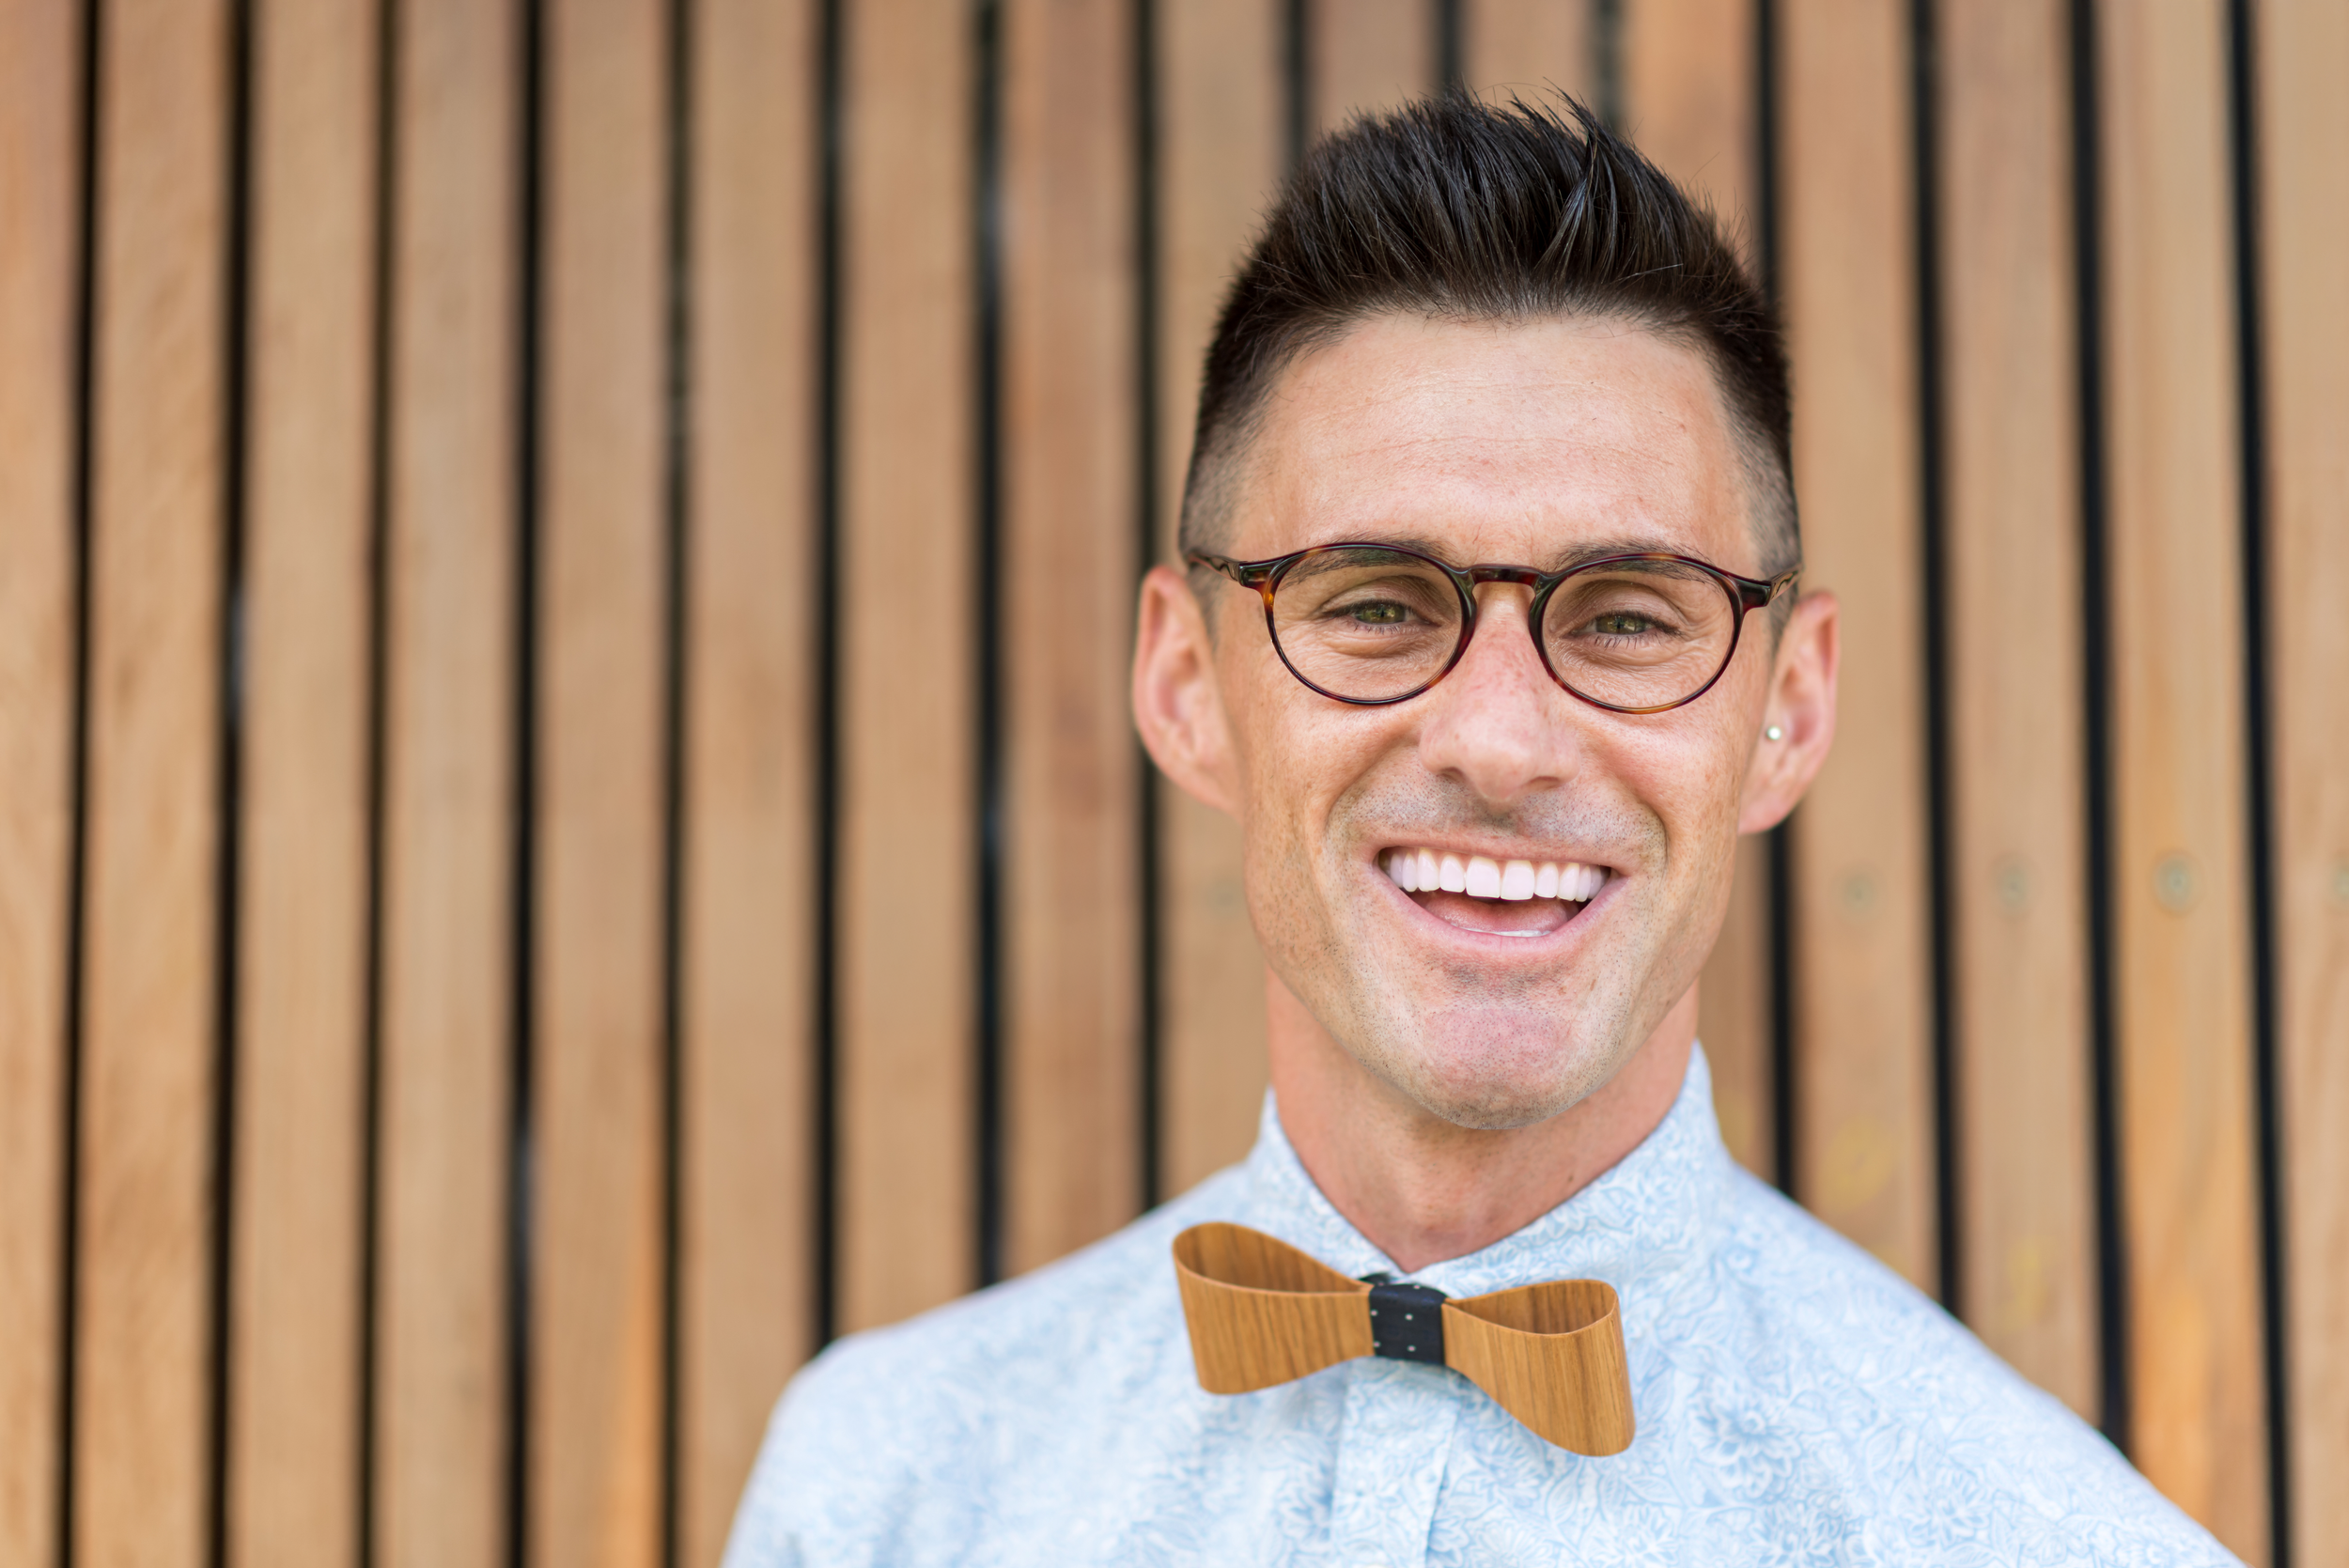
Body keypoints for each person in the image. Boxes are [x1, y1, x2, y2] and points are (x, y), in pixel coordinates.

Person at [723, 94, 2234, 1565]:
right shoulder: (879, 1493)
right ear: (1185, 683)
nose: (1500, 742)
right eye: (1374, 603)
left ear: (1789, 709)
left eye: (1631, 616)